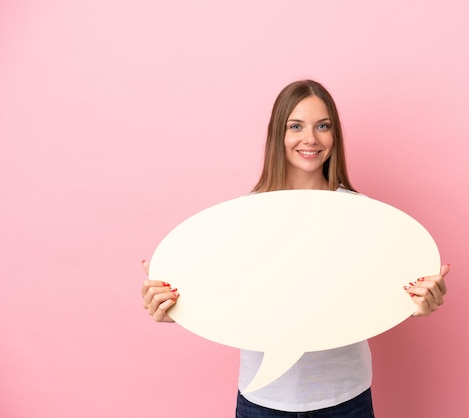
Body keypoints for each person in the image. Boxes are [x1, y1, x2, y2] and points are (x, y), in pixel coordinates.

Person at [141, 79, 450, 417]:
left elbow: (379, 289)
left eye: (323, 126)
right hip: (264, 402)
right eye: (296, 126)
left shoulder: (363, 216)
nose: (311, 138)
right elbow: (224, 292)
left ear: (335, 136)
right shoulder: (242, 217)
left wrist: (416, 302)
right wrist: (178, 305)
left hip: (345, 399)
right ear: (279, 135)